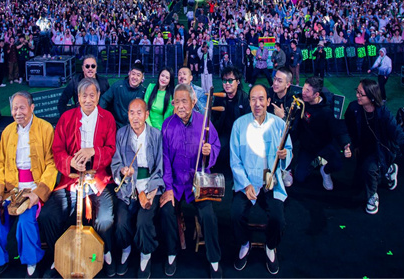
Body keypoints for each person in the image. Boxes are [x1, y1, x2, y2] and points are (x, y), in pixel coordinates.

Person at [39, 78, 117, 277]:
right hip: (71, 178)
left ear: (99, 96)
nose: (88, 100)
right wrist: (70, 162)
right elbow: (57, 151)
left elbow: (111, 150)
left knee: (105, 219)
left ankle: (105, 253)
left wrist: (93, 151)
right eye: (84, 96)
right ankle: (61, 254)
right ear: (78, 98)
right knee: (49, 215)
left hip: (99, 178)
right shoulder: (66, 117)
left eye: (92, 95)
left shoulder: (107, 118)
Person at [0, 92, 57, 278]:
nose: (18, 112)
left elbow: (52, 164)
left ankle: (32, 261)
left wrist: (37, 194)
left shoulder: (46, 129)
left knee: (26, 220)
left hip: (34, 188)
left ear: (32, 108)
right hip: (11, 189)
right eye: (15, 108)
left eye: (22, 107)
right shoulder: (7, 132)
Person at [159, 84, 222, 278]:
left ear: (194, 102)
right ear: (172, 104)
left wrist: (209, 152)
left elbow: (216, 145)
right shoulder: (167, 125)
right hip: (177, 184)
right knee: (166, 211)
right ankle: (171, 253)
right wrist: (168, 188)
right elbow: (165, 160)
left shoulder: (205, 122)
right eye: (176, 102)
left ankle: (214, 259)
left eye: (184, 101)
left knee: (209, 216)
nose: (180, 106)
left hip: (198, 182)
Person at [230, 84, 292, 275]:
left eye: (261, 99)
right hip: (247, 181)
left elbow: (288, 150)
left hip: (270, 181)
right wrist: (245, 183)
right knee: (235, 214)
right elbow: (234, 159)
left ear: (268, 101)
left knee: (278, 219)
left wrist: (284, 156)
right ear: (249, 102)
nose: (257, 104)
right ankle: (244, 243)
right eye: (253, 99)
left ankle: (270, 246)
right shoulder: (239, 124)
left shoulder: (279, 124)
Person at [345, 79, 404, 215]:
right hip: (363, 147)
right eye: (357, 92)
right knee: (357, 183)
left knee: (369, 170)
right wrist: (351, 144)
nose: (357, 95)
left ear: (371, 97)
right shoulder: (354, 108)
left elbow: (396, 131)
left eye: (361, 94)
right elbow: (349, 127)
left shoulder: (383, 113)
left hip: (381, 149)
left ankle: (372, 197)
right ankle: (389, 170)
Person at [111, 99, 164, 279]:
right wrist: (122, 171)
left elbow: (159, 168)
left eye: (139, 112)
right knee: (120, 222)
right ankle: (126, 249)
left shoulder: (156, 135)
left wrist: (152, 191)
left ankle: (145, 255)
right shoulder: (121, 134)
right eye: (131, 113)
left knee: (143, 222)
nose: (135, 117)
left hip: (149, 185)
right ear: (127, 115)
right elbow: (116, 162)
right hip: (128, 187)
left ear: (147, 114)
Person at [293, 77, 351, 190]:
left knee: (337, 164)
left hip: (323, 145)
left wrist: (345, 144)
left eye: (307, 91)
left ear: (316, 94)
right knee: (299, 178)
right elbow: (295, 124)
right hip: (307, 146)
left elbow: (337, 128)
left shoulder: (326, 112)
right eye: (303, 89)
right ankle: (314, 161)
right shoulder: (301, 101)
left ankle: (324, 171)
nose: (303, 92)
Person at [100, 60, 146, 129]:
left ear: (142, 77)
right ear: (129, 73)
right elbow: (104, 100)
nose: (135, 77)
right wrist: (102, 116)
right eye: (133, 74)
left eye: (138, 75)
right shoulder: (118, 86)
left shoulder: (143, 92)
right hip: (116, 126)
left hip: (133, 128)